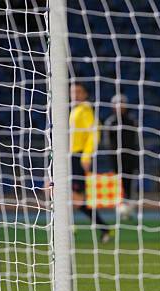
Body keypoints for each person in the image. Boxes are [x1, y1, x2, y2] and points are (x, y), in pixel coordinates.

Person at [69, 82, 111, 244]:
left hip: (78, 157)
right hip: (70, 157)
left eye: (79, 91)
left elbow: (94, 134)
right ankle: (71, 227)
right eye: (73, 91)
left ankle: (103, 228)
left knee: (76, 198)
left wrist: (86, 156)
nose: (75, 95)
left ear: (85, 94)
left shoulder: (85, 110)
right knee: (60, 193)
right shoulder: (75, 110)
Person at [103, 93, 139, 218]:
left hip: (130, 158)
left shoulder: (132, 120)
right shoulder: (110, 122)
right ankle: (120, 210)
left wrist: (135, 158)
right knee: (118, 186)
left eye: (122, 103)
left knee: (130, 185)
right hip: (116, 159)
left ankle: (130, 210)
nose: (120, 106)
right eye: (117, 104)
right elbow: (107, 142)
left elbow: (136, 141)